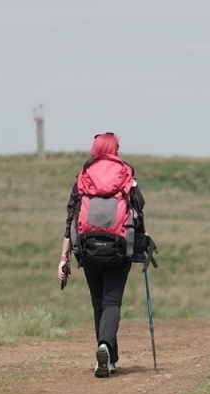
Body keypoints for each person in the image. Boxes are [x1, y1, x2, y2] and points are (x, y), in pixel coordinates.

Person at [58, 132, 146, 378]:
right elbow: (138, 207)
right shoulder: (126, 174)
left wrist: (64, 258)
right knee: (112, 302)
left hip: (88, 247)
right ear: (115, 149)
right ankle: (106, 348)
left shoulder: (84, 176)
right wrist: (141, 242)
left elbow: (71, 219)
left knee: (99, 303)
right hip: (119, 248)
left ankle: (108, 357)